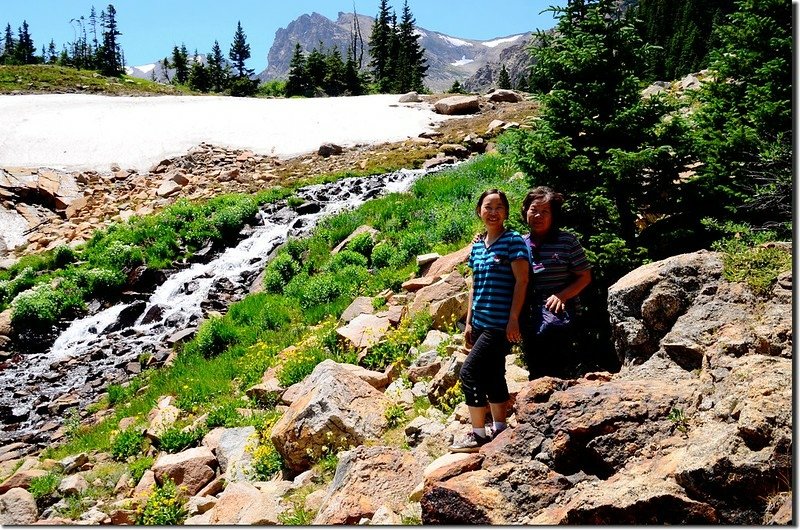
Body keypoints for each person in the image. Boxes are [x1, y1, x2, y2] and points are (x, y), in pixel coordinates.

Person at [449, 189, 529, 453]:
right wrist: (469, 322)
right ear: (479, 211)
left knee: (469, 373)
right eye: (488, 207)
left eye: (498, 207)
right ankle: (500, 429)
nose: (493, 212)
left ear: (506, 212)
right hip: (481, 321)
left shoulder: (513, 241)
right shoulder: (477, 246)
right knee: (494, 373)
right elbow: (474, 286)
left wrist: (514, 319)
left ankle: (478, 434)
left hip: (499, 324)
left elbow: (522, 281)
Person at [521, 186, 592, 380]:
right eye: (534, 210)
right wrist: (480, 239)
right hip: (530, 315)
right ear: (525, 211)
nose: (538, 215)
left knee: (560, 369)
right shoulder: (520, 243)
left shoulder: (567, 241)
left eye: (545, 212)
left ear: (553, 216)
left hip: (560, 316)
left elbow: (585, 276)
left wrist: (562, 295)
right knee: (536, 370)